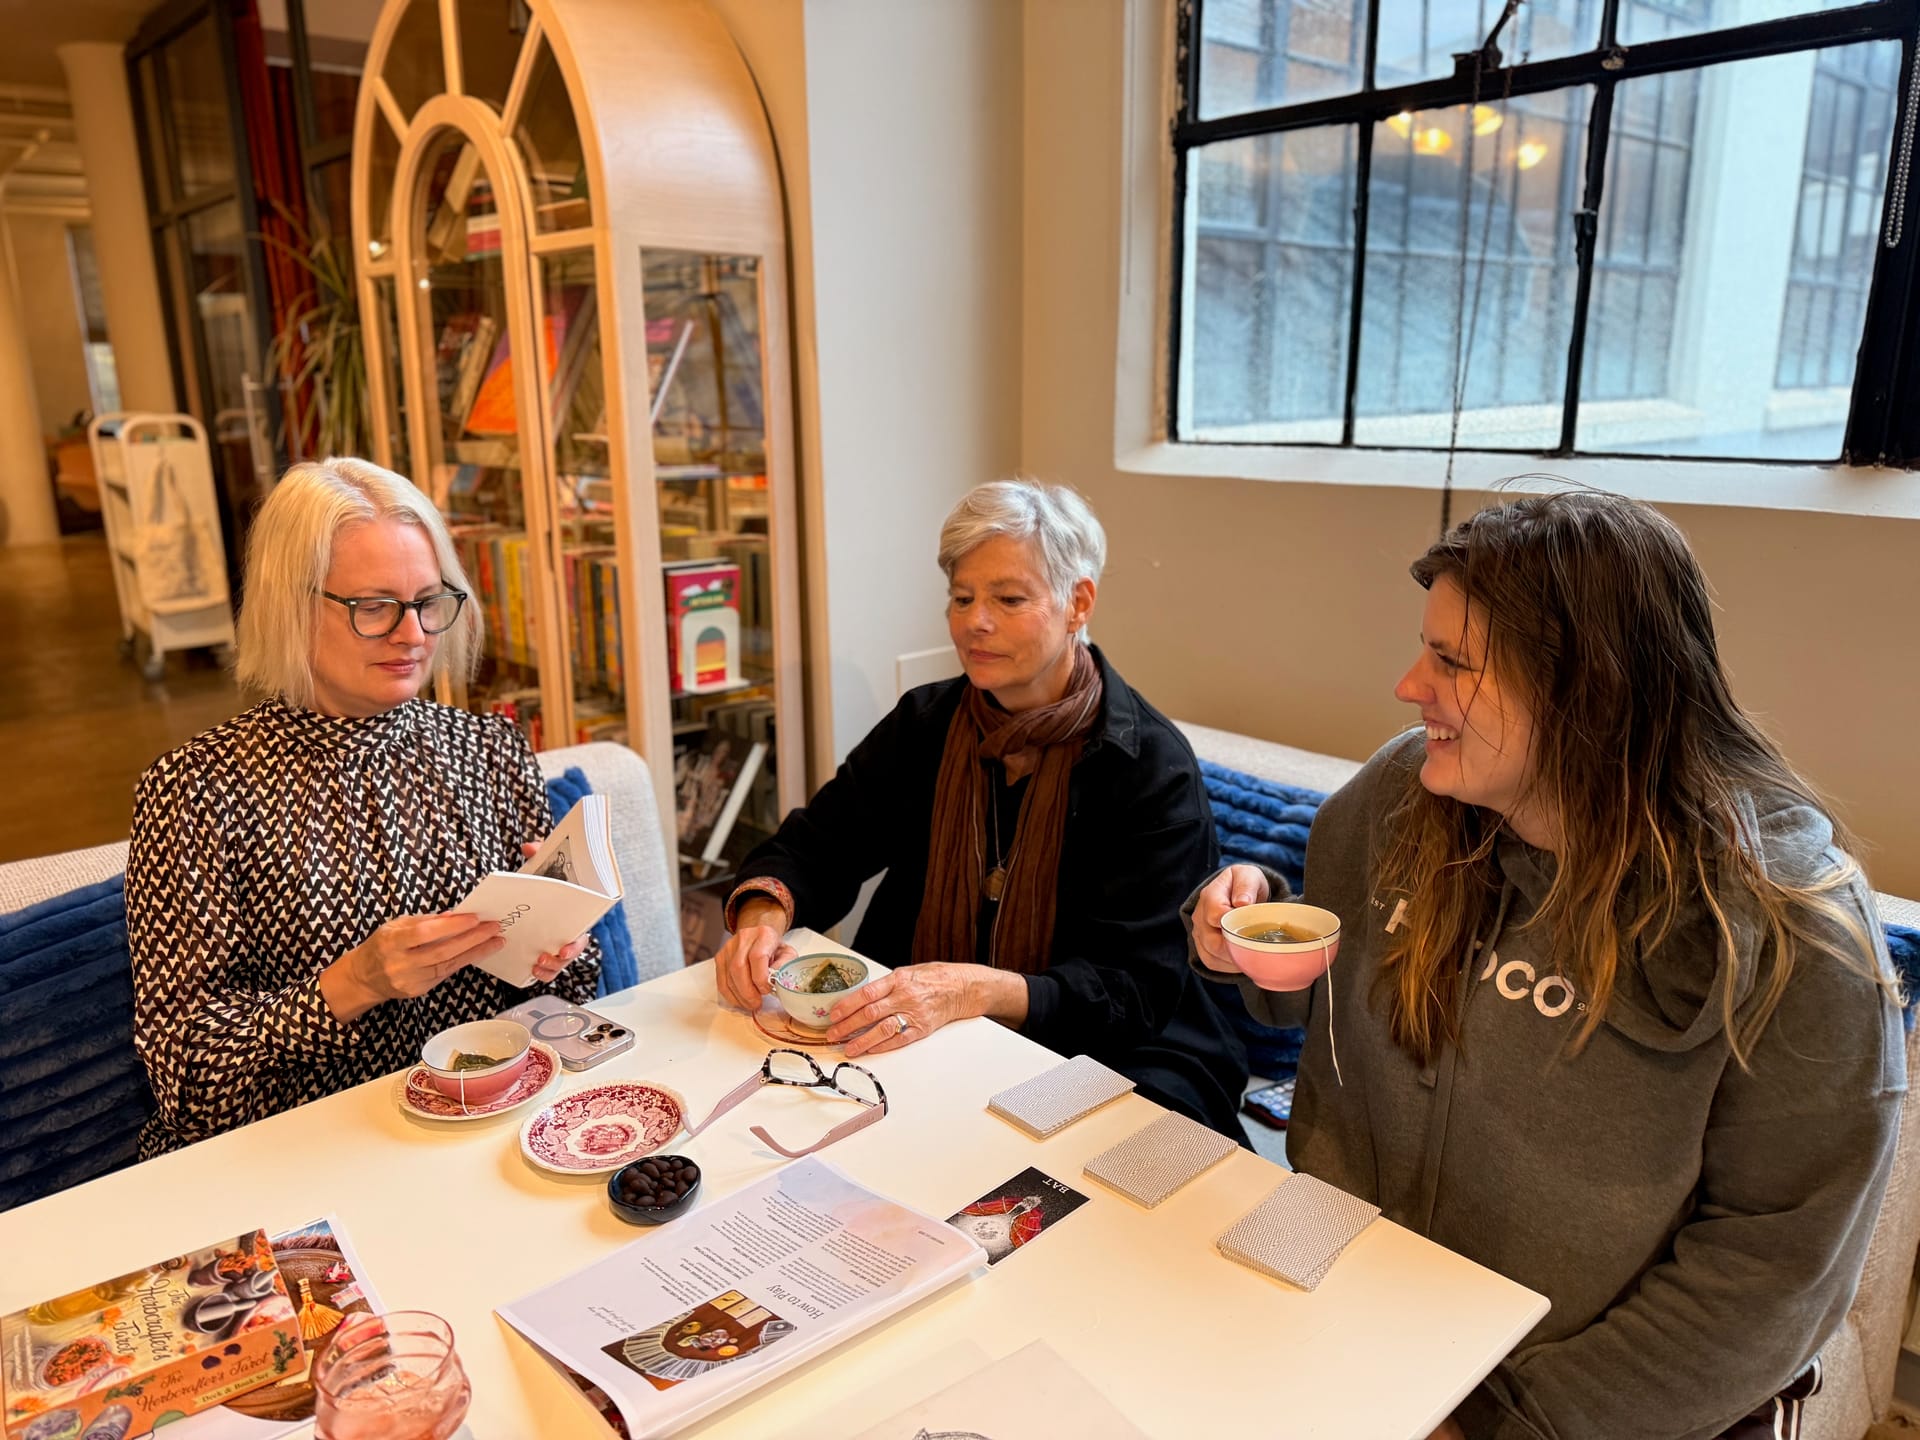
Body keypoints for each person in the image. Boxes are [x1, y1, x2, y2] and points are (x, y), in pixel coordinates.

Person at [1187, 490, 1903, 1440]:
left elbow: (1775, 1271)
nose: (1409, 685)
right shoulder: (1396, 800)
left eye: (1453, 661)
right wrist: (1242, 946)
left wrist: (1510, 1425)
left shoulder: (1790, 930)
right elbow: (1309, 1033)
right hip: (1343, 1315)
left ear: (1588, 691)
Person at [713, 479, 1248, 1137]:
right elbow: (814, 848)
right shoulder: (925, 725)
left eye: (1009, 598)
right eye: (961, 598)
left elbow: (1133, 990)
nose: (975, 621)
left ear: (1078, 601)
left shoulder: (1149, 767)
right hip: (925, 1026)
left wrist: (974, 992)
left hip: (1109, 1048)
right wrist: (762, 920)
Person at [127, 458, 600, 1156]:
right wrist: (351, 984)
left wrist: (560, 950)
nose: (413, 635)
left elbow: (564, 1004)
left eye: (429, 601)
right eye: (374, 607)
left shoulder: (491, 746)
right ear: (290, 604)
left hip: (483, 1128)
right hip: (306, 1151)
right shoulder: (198, 791)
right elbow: (186, 1082)